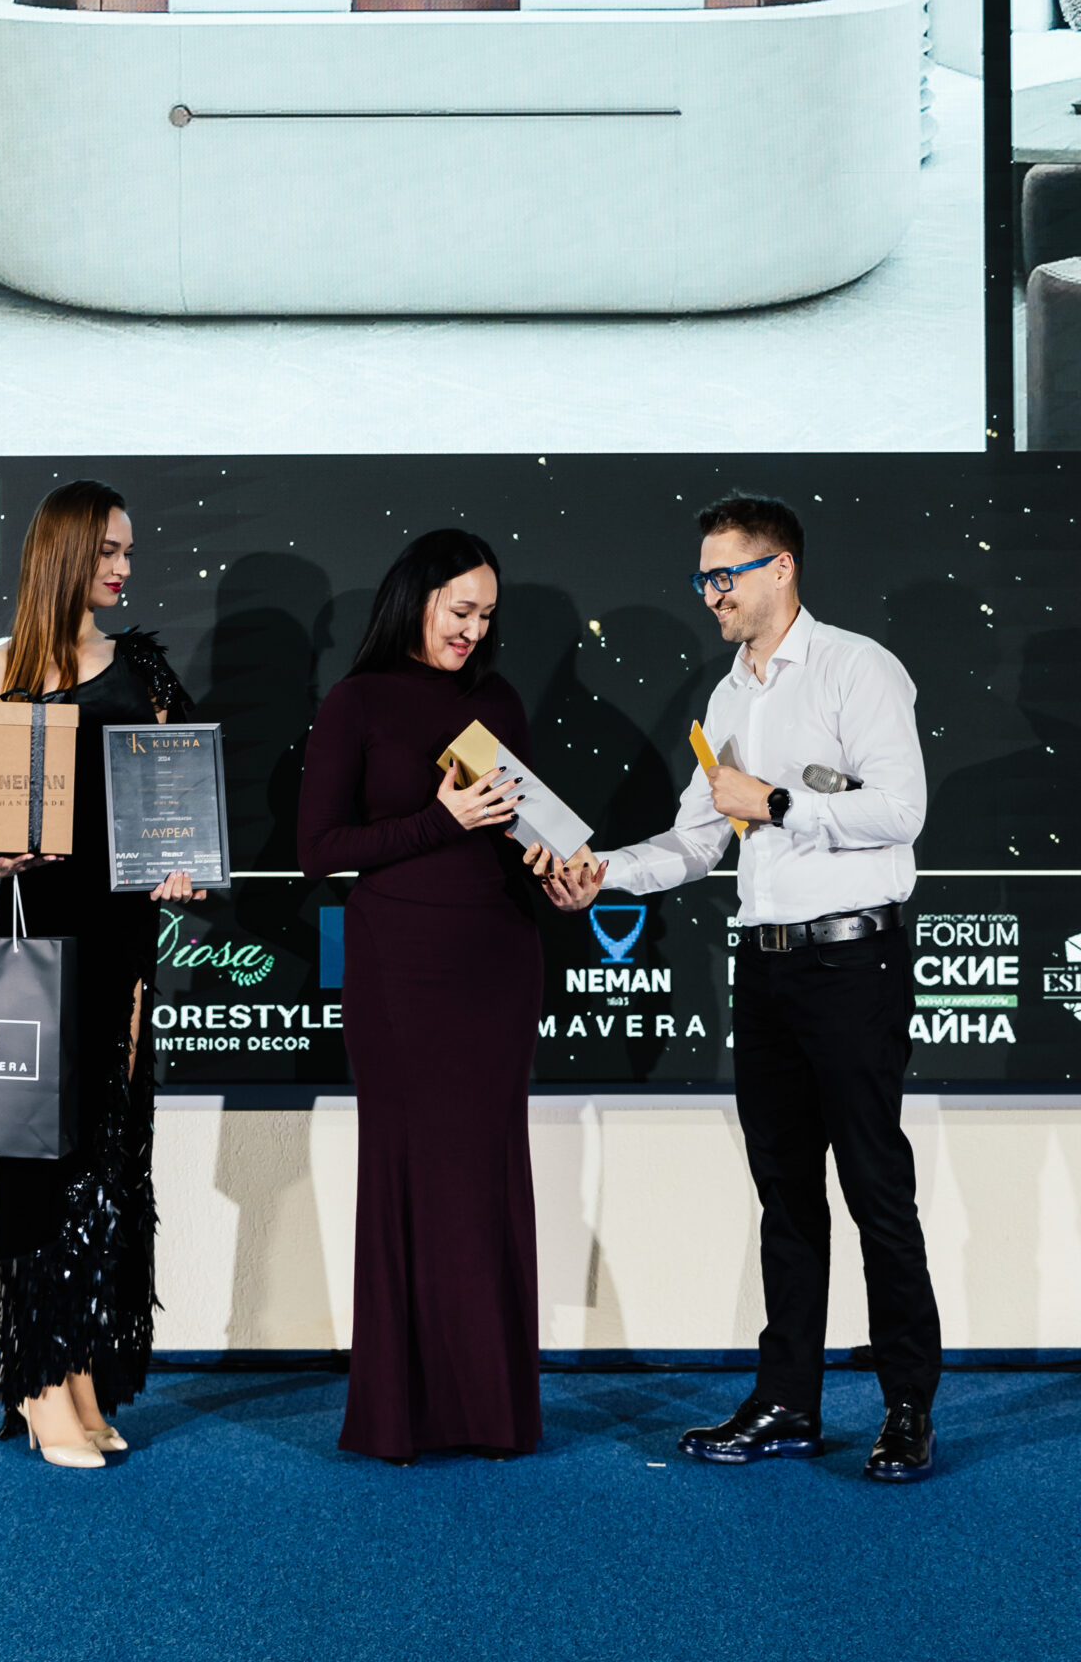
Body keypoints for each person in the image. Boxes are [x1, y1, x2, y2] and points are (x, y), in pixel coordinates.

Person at [535, 494, 942, 1482]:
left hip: (851, 963)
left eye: (726, 574)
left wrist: (777, 801)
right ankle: (786, 1402)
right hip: (763, 967)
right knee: (785, 1197)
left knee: (875, 1191)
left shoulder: (855, 668)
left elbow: (902, 811)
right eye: (703, 578)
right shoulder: (726, 699)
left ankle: (907, 1410)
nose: (711, 593)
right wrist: (600, 873)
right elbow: (694, 843)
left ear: (781, 568)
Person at [0, 480, 203, 1469]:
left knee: (108, 1159)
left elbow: (181, 801)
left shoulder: (140, 670)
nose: (124, 568)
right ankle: (39, 1383)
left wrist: (183, 867)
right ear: (61, 554)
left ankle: (82, 1370)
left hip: (122, 944)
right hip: (35, 942)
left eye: (128, 551)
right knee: (38, 1164)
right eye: (107, 551)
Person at [298, 530, 542, 1462]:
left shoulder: (499, 699)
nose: (472, 630)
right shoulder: (357, 701)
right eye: (459, 610)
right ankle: (400, 1413)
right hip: (400, 968)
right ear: (416, 600)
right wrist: (439, 820)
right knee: (408, 1175)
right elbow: (318, 850)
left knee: (487, 1181)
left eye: (486, 616)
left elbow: (524, 830)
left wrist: (558, 868)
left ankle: (491, 1412)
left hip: (498, 962)